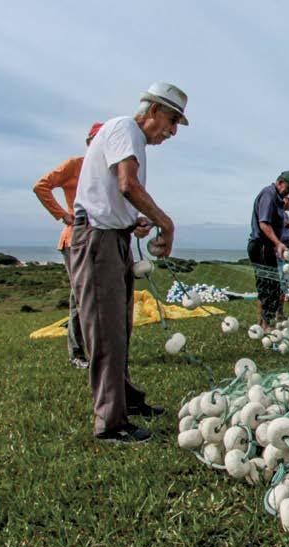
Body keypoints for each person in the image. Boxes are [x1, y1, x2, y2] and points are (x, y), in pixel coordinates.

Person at [70, 82, 188, 443]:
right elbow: (127, 184)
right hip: (98, 241)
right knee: (106, 331)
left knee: (119, 328)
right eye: (171, 121)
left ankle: (127, 400)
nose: (172, 131)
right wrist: (166, 223)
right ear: (153, 110)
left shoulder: (132, 138)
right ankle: (111, 423)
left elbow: (116, 193)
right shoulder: (125, 128)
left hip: (113, 236)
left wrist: (130, 221)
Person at [33, 122, 103, 369]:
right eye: (98, 141)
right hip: (74, 240)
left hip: (99, 240)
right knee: (82, 296)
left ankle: (94, 352)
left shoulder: (109, 171)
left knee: (89, 296)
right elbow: (41, 186)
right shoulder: (75, 165)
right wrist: (62, 214)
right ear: (90, 143)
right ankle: (78, 354)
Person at [249, 171, 289, 328]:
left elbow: (277, 221)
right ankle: (264, 325)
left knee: (274, 285)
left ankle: (264, 323)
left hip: (268, 247)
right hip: (261, 246)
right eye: (288, 188)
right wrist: (278, 243)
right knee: (266, 285)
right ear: (280, 182)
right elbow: (264, 223)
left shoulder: (276, 198)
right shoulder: (268, 194)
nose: (288, 192)